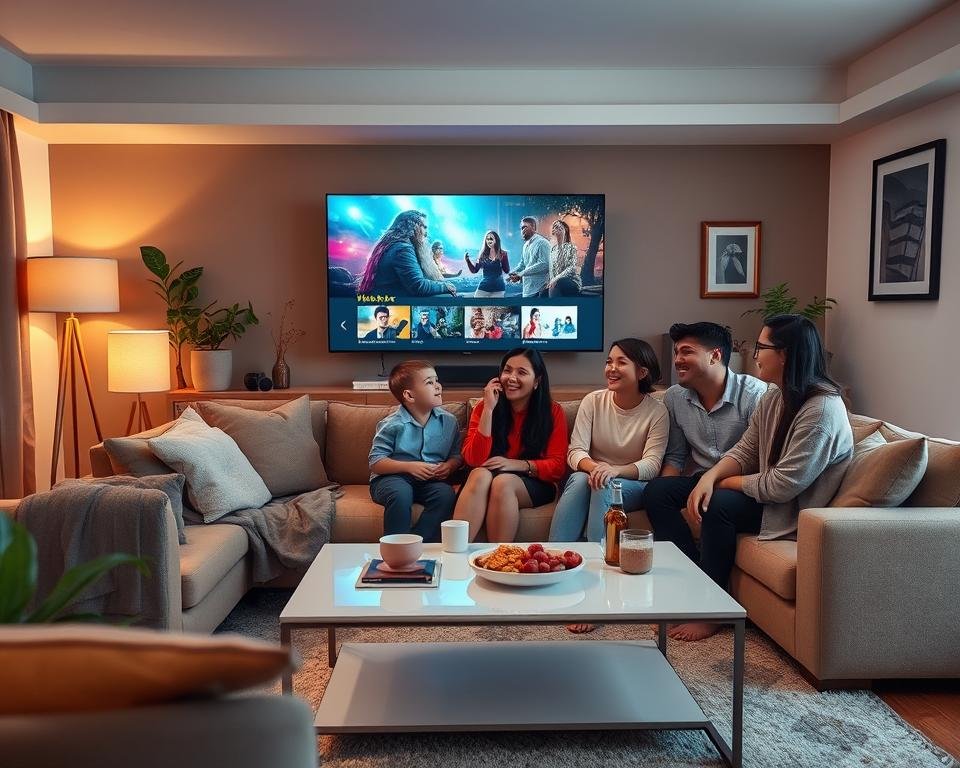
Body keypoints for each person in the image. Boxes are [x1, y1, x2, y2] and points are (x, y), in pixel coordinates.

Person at [666, 315, 853, 641]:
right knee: (664, 492)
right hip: (770, 498)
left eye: (762, 347)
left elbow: (782, 486)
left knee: (719, 505)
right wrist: (709, 477)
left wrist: (719, 484)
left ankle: (712, 610)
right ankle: (689, 579)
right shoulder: (775, 396)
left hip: (792, 512)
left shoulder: (822, 409)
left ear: (785, 354)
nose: (754, 355)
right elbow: (746, 451)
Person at [642, 322, 767, 571]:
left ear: (715, 356)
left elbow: (758, 457)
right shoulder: (675, 397)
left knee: (716, 503)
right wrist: (672, 493)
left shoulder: (756, 395)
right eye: (676, 352)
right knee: (656, 492)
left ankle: (713, 585)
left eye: (686, 352)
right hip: (700, 479)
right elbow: (676, 456)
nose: (678, 359)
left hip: (741, 485)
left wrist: (714, 483)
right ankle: (688, 568)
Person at [549, 338, 669, 545]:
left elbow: (652, 466)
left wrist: (613, 470)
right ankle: (555, 557)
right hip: (593, 477)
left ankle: (599, 559)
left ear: (642, 372)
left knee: (605, 485)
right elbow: (576, 451)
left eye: (621, 362)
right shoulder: (593, 401)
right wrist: (598, 469)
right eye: (608, 362)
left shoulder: (657, 412)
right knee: (579, 480)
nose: (611, 369)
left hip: (633, 485)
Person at [453, 348, 568, 542]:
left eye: (521, 372)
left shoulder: (552, 412)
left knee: (503, 482)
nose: (511, 378)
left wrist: (519, 464)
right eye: (507, 370)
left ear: (537, 381)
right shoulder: (484, 407)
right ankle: (454, 556)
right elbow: (473, 459)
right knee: (479, 474)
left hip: (533, 482)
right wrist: (489, 410)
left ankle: (499, 561)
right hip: (487, 476)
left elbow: (557, 467)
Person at [368, 361, 463, 542]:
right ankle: (396, 547)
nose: (438, 386)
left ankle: (419, 544)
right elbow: (375, 462)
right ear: (409, 395)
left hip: (428, 481)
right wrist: (409, 467)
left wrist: (449, 466)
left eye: (437, 380)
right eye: (429, 382)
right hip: (391, 479)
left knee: (445, 494)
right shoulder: (391, 424)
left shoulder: (449, 421)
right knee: (401, 493)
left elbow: (457, 455)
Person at [358, 210, 458, 298]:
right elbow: (418, 286)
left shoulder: (392, 245)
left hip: (386, 298)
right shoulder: (403, 249)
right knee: (446, 295)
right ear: (413, 226)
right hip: (394, 302)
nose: (426, 233)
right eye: (424, 227)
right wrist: (445, 286)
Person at [508, 217, 550, 297]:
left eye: (525, 227)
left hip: (540, 290)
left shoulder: (542, 243)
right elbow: (522, 264)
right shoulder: (525, 245)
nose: (522, 230)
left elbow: (544, 264)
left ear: (533, 228)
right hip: (527, 290)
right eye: (521, 228)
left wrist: (521, 274)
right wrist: (512, 274)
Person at [541, 219, 582, 297]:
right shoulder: (553, 249)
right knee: (542, 292)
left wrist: (556, 279)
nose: (556, 229)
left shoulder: (571, 247)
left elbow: (571, 269)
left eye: (559, 227)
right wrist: (550, 281)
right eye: (555, 227)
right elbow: (552, 269)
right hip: (556, 280)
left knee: (557, 284)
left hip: (571, 281)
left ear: (565, 230)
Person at [465, 231, 510, 298]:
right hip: (484, 287)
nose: (489, 241)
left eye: (491, 239)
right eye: (487, 239)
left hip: (498, 288)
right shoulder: (482, 255)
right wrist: (467, 260)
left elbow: (506, 270)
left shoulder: (503, 254)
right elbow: (474, 270)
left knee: (495, 308)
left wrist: (502, 258)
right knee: (476, 306)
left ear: (496, 240)